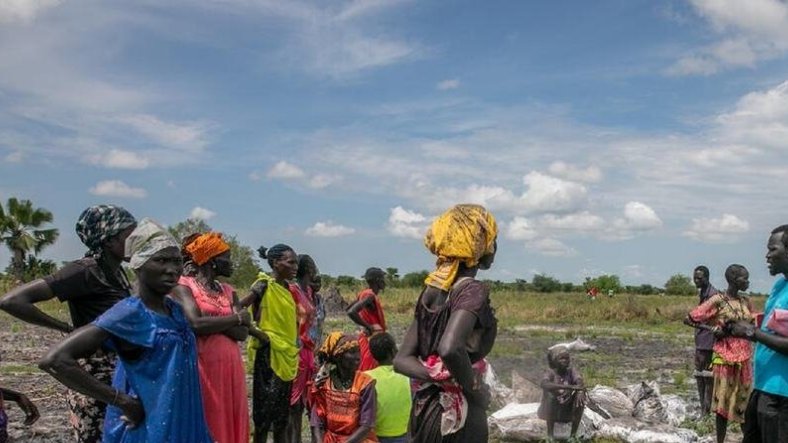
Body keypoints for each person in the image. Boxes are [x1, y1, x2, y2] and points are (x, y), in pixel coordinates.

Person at [38, 218, 214, 442]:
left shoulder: (176, 311)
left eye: (176, 261)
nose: (172, 270)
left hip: (184, 423)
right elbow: (55, 360)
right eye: (160, 260)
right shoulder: (130, 313)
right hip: (149, 428)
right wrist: (122, 401)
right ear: (138, 264)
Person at [0, 205, 136, 443]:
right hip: (93, 374)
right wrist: (65, 328)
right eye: (130, 236)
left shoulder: (117, 273)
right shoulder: (85, 271)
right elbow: (12, 301)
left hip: (118, 370)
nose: (136, 242)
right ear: (108, 239)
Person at [394, 203, 498, 443]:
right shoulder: (472, 290)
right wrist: (476, 389)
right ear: (478, 245)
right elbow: (450, 348)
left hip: (425, 408)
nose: (494, 247)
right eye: (492, 239)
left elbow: (402, 360)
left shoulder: (431, 291)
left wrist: (438, 375)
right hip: (457, 419)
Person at [172, 232, 251, 443]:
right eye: (227, 257)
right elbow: (195, 324)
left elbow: (243, 332)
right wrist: (235, 318)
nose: (232, 263)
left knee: (231, 415)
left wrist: (212, 320)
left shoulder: (228, 290)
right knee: (209, 416)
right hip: (202, 365)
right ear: (213, 261)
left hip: (231, 366)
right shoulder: (184, 285)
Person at [729, 225, 788, 443]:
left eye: (773, 249)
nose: (767, 255)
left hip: (782, 395)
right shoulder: (780, 285)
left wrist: (752, 333)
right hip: (763, 388)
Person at [685, 264, 754, 443]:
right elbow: (690, 319)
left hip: (745, 360)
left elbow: (753, 324)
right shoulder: (718, 300)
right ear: (733, 279)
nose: (747, 282)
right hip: (724, 359)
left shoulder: (746, 301)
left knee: (743, 405)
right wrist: (712, 329)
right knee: (722, 407)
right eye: (744, 278)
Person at [245, 244, 300, 443]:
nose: (295, 267)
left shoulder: (287, 288)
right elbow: (238, 309)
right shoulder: (263, 285)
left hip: (286, 355)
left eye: (296, 262)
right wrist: (261, 336)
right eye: (290, 262)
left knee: (281, 419)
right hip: (268, 357)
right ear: (276, 263)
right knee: (263, 419)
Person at [310, 332, 377, 443]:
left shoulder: (365, 383)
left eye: (358, 352)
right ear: (338, 357)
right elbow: (317, 421)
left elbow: (367, 425)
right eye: (352, 352)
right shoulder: (324, 383)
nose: (358, 357)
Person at [286, 254, 320, 443]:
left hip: (308, 350)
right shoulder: (292, 290)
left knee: (306, 402)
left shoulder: (307, 291)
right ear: (309, 269)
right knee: (294, 403)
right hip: (297, 350)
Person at [364, 332, 411, 443]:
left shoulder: (366, 377)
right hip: (404, 435)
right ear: (393, 352)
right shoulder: (407, 375)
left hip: (375, 437)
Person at [537, 346, 586, 441]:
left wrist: (580, 391)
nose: (565, 361)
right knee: (550, 395)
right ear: (555, 361)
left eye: (567, 358)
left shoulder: (571, 371)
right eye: (562, 358)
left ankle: (573, 436)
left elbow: (579, 382)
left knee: (580, 396)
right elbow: (544, 384)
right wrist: (568, 387)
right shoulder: (551, 372)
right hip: (550, 411)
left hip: (567, 411)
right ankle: (550, 436)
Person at [347, 268, 387, 371]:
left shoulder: (363, 294)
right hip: (371, 340)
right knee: (370, 371)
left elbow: (348, 308)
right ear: (377, 280)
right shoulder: (370, 296)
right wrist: (368, 326)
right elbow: (351, 311)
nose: (384, 281)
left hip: (366, 338)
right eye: (382, 278)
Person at [692, 265, 718, 416]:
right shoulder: (703, 293)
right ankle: (704, 410)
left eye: (699, 278)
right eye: (695, 278)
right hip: (701, 341)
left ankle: (706, 412)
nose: (696, 280)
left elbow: (709, 320)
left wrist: (694, 322)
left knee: (707, 378)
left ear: (707, 278)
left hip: (708, 343)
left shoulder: (712, 296)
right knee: (699, 375)